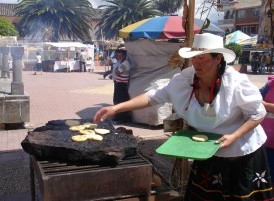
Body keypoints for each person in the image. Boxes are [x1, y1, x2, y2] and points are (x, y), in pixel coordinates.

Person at [93, 33, 273, 200]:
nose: (196, 63)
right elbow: (153, 96)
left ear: (218, 59)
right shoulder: (185, 80)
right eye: (194, 58)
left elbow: (258, 114)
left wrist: (234, 136)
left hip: (242, 154)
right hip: (207, 151)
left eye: (202, 58)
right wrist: (116, 108)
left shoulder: (236, 83)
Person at [259, 75, 274, 184]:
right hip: (266, 143)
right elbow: (255, 98)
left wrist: (265, 105)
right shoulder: (271, 84)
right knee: (266, 178)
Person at [112, 48, 131, 123]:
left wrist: (117, 71)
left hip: (122, 85)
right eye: (118, 55)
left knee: (122, 101)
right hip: (119, 84)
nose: (119, 57)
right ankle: (118, 116)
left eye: (120, 56)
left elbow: (118, 73)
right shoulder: (121, 62)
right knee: (117, 100)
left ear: (124, 56)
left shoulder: (125, 63)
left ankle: (123, 118)